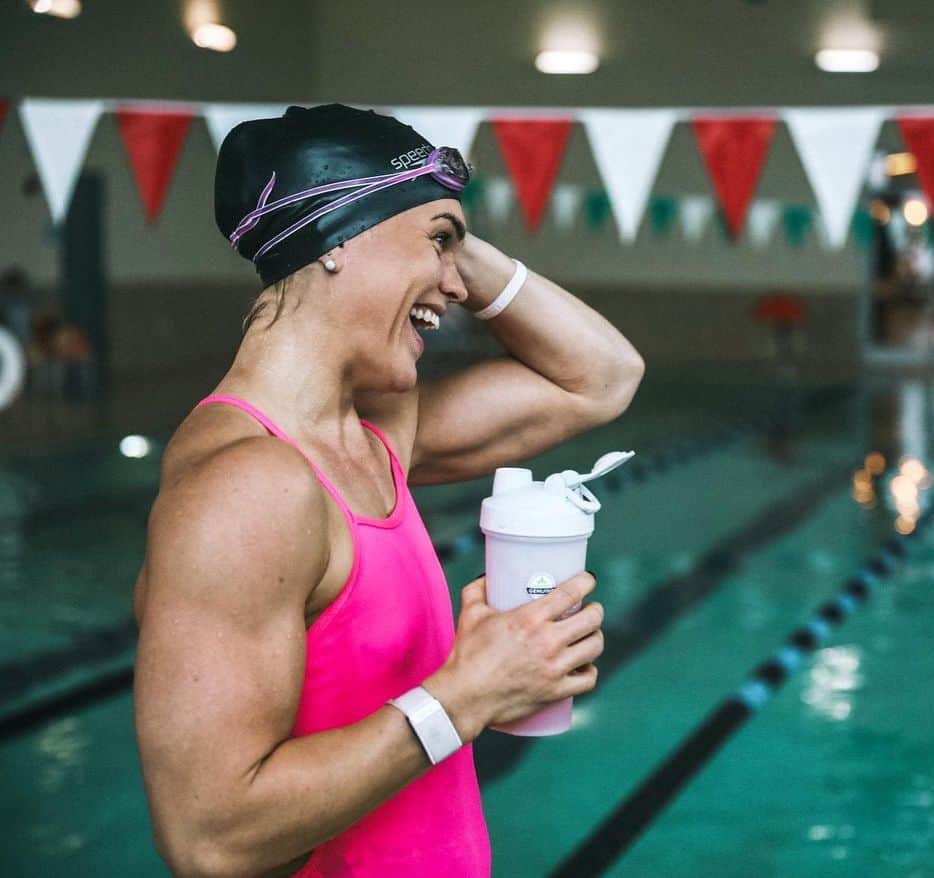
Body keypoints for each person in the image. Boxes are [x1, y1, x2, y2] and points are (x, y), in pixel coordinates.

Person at [131, 104, 645, 877]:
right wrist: (467, 695)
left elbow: (602, 378)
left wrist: (437, 233)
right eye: (440, 244)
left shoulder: (371, 439)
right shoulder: (249, 487)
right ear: (340, 238)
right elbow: (211, 837)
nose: (454, 285)